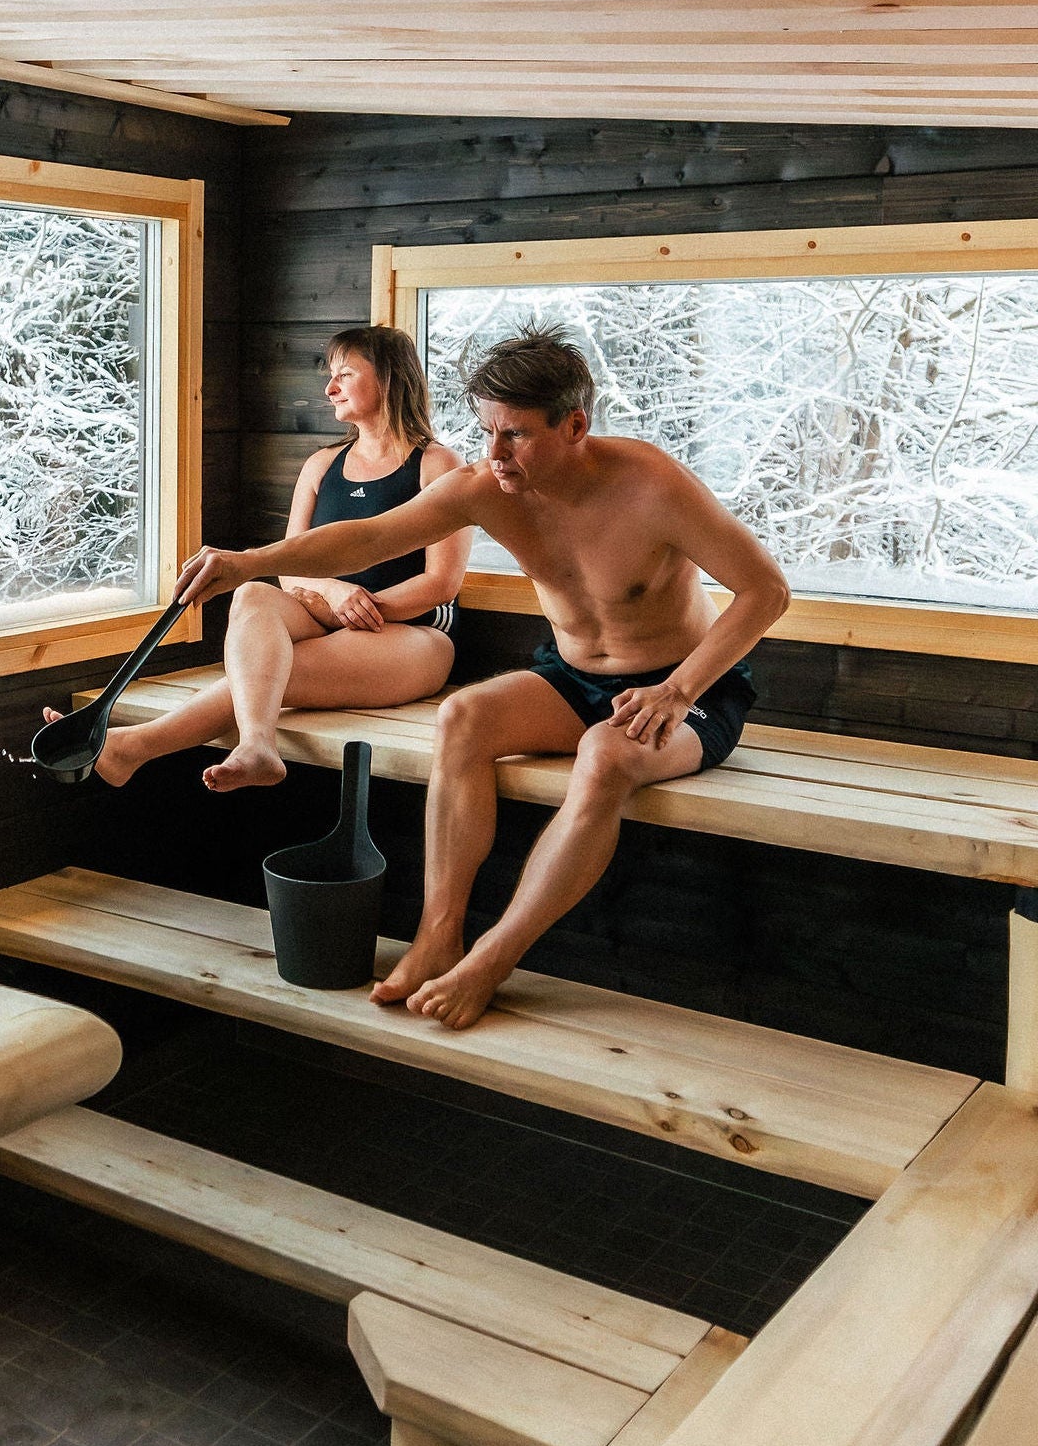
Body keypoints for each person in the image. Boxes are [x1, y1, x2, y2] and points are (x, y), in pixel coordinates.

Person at [176, 324, 790, 1030]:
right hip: (574, 675)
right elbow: (372, 536)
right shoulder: (487, 486)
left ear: (575, 425)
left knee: (605, 755)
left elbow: (766, 590)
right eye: (486, 431)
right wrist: (249, 562)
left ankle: (493, 957)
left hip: (689, 692)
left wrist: (678, 690)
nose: (494, 453)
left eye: (516, 435)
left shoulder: (650, 485)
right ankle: (441, 933)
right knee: (462, 717)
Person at [46, 325, 471, 792]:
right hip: (322, 613)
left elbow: (441, 584)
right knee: (251, 592)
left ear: (389, 379)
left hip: (415, 635)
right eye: (331, 375)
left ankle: (135, 745)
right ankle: (255, 745)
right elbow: (290, 567)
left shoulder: (437, 464)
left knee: (270, 673)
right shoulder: (322, 465)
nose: (330, 388)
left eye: (345, 374)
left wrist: (364, 608)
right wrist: (333, 593)